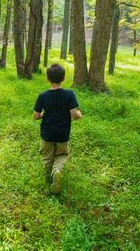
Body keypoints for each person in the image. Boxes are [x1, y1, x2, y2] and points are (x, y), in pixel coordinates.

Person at [33, 63, 82, 194]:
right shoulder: (69, 94)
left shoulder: (42, 96)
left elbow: (35, 116)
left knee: (47, 156)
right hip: (62, 133)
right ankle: (57, 171)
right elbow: (74, 115)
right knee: (62, 155)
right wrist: (79, 114)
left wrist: (43, 114)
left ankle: (47, 178)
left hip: (47, 133)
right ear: (63, 79)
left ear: (47, 78)